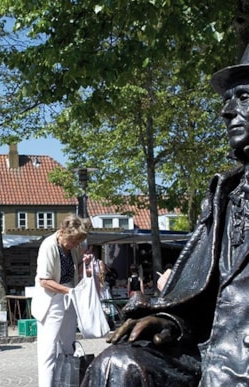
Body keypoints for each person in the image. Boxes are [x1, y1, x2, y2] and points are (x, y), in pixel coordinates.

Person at [81, 46, 249, 387]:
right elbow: (204, 295)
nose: (227, 111)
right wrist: (171, 319)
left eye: (244, 97)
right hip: (218, 354)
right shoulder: (226, 194)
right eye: (228, 100)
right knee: (118, 364)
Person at [31, 213, 90, 387]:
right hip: (52, 300)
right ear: (63, 231)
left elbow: (75, 270)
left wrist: (85, 264)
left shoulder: (72, 247)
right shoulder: (49, 246)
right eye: (73, 241)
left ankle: (66, 382)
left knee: (68, 347)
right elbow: (44, 281)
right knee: (48, 351)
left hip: (68, 298)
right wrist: (70, 291)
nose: (75, 245)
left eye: (77, 242)